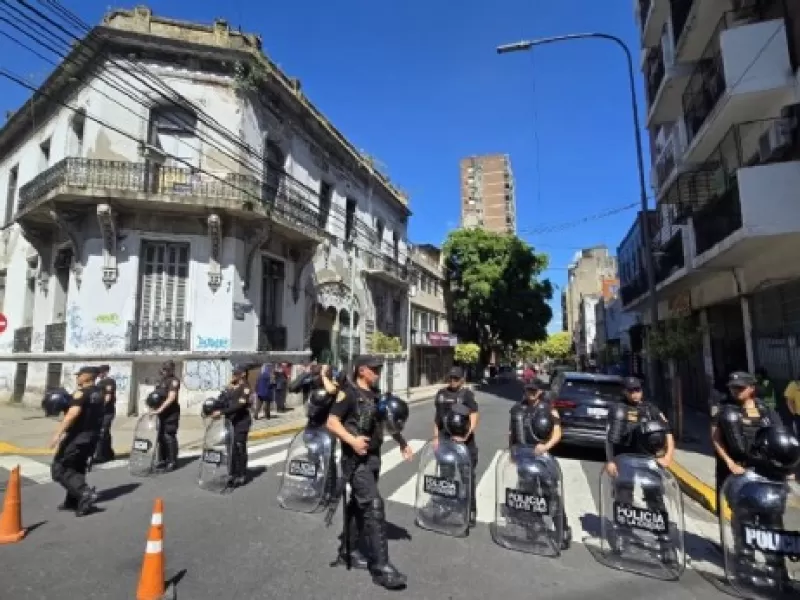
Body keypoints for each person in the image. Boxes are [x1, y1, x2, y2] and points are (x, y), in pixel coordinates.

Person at [326, 355, 412, 590]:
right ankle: (381, 567)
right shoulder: (349, 393)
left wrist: (402, 442)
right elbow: (332, 422)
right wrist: (352, 441)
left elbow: (385, 422)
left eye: (379, 369)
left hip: (374, 458)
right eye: (375, 369)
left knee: (357, 505)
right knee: (374, 505)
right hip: (355, 460)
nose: (378, 372)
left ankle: (349, 551)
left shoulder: (375, 395)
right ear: (361, 370)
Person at [711, 371, 797, 585]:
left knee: (772, 520)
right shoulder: (724, 410)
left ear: (751, 388)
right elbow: (716, 439)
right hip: (738, 474)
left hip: (768, 474)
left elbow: (780, 436)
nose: (735, 390)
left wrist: (788, 466)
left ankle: (777, 568)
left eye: (740, 387)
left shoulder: (766, 410)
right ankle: (744, 564)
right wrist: (730, 463)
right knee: (743, 518)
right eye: (733, 387)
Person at [605, 376, 676, 562]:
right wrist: (611, 461)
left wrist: (667, 456)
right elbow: (610, 438)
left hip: (647, 460)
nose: (635, 393)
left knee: (655, 499)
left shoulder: (651, 409)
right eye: (631, 390)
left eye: (637, 390)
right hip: (625, 459)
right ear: (624, 391)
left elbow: (667, 432)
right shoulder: (618, 409)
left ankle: (664, 541)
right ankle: (623, 535)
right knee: (623, 498)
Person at [508, 381, 571, 549]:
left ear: (540, 391)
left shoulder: (549, 408)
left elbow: (557, 433)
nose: (531, 393)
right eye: (528, 390)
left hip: (543, 457)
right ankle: (534, 525)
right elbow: (512, 432)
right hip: (524, 455)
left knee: (550, 491)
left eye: (534, 391)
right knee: (528, 492)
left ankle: (562, 528)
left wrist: (546, 447)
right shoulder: (517, 409)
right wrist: (512, 451)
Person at [49, 366, 103, 516]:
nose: (77, 377)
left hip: (77, 437)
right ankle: (73, 500)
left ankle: (85, 494)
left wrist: (57, 434)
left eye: (79, 375)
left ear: (87, 376)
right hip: (91, 438)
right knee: (77, 468)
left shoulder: (81, 393)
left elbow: (73, 414)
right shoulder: (98, 393)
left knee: (60, 469)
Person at [433, 366, 479, 526]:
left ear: (462, 380)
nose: (452, 381)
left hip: (464, 443)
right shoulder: (441, 395)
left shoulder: (467, 395)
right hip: (445, 441)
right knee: (446, 478)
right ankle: (445, 506)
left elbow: (474, 416)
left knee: (467, 477)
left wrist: (466, 436)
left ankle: (470, 510)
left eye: (456, 379)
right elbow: (437, 419)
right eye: (450, 378)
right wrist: (436, 438)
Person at [211, 364, 252, 487]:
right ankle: (232, 473)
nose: (233, 375)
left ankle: (241, 475)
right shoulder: (232, 387)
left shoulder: (246, 387)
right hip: (230, 421)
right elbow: (221, 400)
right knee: (231, 449)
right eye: (233, 373)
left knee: (239, 448)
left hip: (241, 422)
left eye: (236, 373)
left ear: (243, 374)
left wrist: (222, 412)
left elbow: (239, 406)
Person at [151, 360, 181, 471]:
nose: (165, 371)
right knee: (160, 436)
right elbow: (154, 396)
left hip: (171, 412)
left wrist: (160, 409)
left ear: (172, 369)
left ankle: (172, 461)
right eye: (164, 369)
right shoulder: (161, 381)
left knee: (169, 435)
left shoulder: (174, 381)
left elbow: (171, 397)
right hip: (161, 413)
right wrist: (151, 407)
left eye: (167, 369)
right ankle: (162, 460)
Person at [92, 364, 116, 463]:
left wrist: (102, 407)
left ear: (105, 372)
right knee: (105, 433)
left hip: (107, 411)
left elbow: (108, 396)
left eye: (100, 372)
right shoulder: (100, 382)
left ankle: (101, 456)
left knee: (102, 432)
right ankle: (109, 453)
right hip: (102, 411)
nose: (99, 374)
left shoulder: (109, 381)